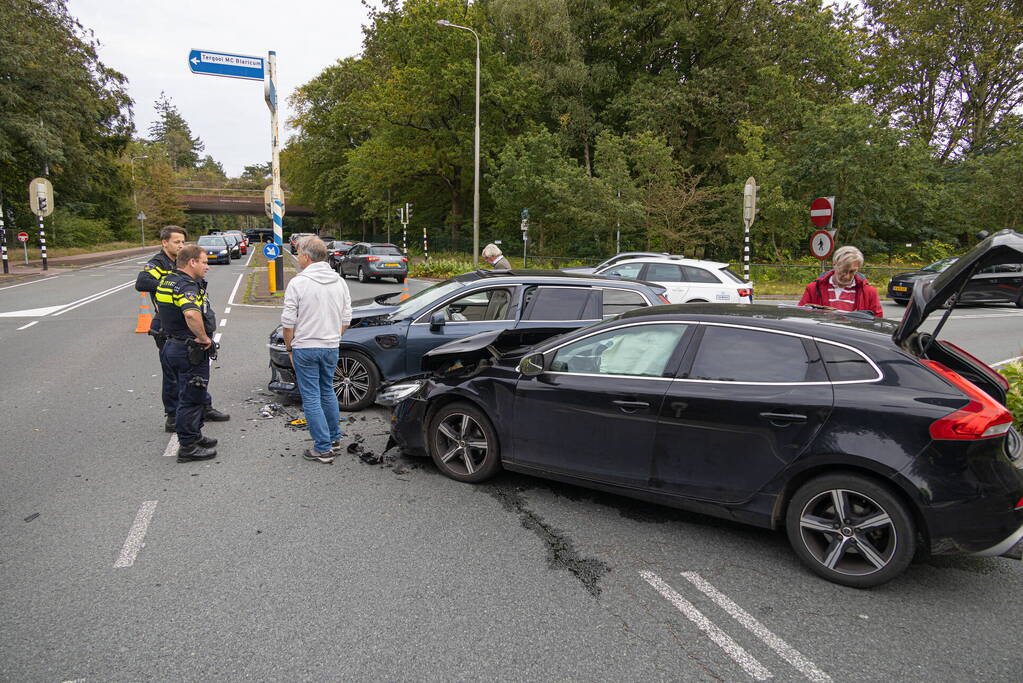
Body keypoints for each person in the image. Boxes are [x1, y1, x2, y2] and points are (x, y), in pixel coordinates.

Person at [135, 226, 229, 432]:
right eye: (176, 242)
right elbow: (141, 282)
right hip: (170, 324)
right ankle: (172, 415)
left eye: (183, 242)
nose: (180, 245)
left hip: (185, 323)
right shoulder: (158, 263)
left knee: (197, 370)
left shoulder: (182, 261)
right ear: (164, 243)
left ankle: (204, 406)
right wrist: (172, 283)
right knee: (174, 373)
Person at [281, 236, 353, 464]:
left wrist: (290, 347)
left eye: (298, 253)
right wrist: (332, 337)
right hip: (331, 346)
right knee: (328, 390)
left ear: (306, 256)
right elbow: (346, 318)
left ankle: (322, 449)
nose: (297, 257)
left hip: (306, 347)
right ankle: (333, 438)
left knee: (311, 396)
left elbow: (288, 323)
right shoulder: (339, 281)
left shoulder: (299, 283)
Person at [155, 244, 220, 463]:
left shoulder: (168, 280)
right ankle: (188, 447)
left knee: (189, 394)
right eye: (204, 262)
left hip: (171, 345)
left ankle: (195, 435)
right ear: (192, 262)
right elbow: (191, 314)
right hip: (188, 348)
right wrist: (204, 338)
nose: (207, 267)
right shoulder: (186, 285)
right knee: (191, 397)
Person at [798, 245, 883, 317]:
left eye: (852, 271)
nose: (847, 276)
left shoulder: (869, 292)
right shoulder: (813, 289)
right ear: (834, 264)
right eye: (844, 270)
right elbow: (800, 316)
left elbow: (877, 324)